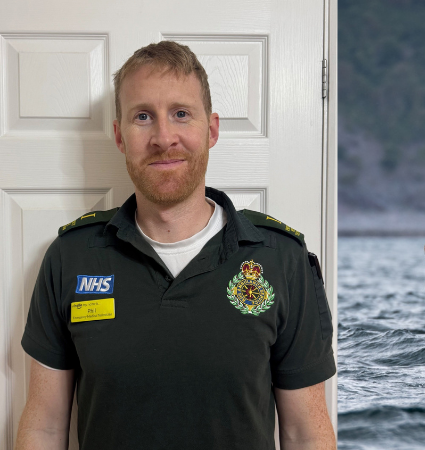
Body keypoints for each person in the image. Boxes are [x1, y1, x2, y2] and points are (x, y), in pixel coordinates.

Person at [15, 41, 335, 450]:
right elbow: (43, 429)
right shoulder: (71, 257)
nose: (164, 138)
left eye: (181, 114)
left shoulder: (281, 259)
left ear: (211, 129)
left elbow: (306, 434)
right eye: (143, 116)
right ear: (119, 136)